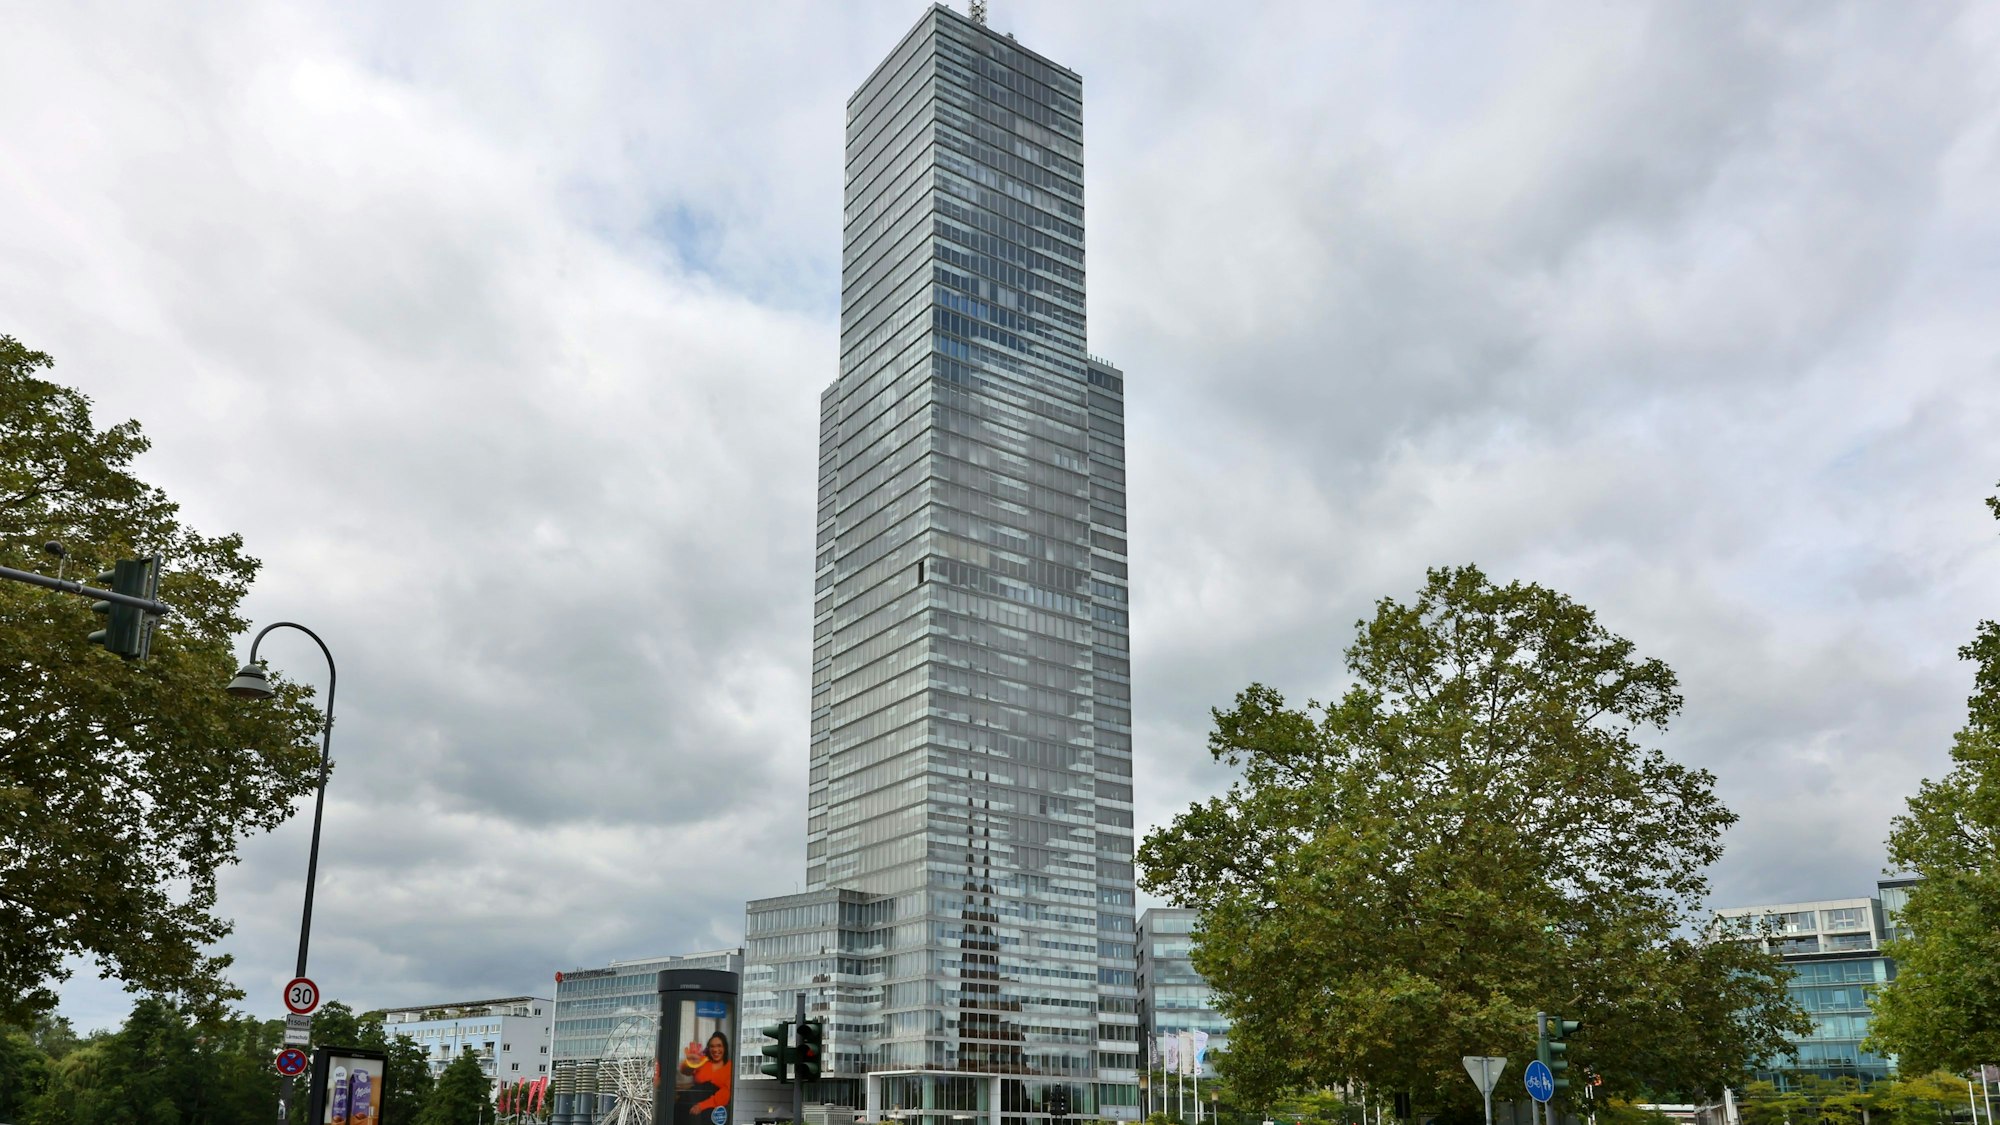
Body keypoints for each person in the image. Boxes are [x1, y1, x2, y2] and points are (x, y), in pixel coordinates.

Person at [679, 1031, 732, 1125]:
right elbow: (684, 1071)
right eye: (712, 1046)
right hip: (692, 1102)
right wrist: (689, 1062)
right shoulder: (704, 1061)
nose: (715, 1050)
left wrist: (701, 1106)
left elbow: (725, 1094)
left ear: (725, 1048)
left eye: (719, 1046)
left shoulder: (730, 1067)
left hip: (713, 1109)